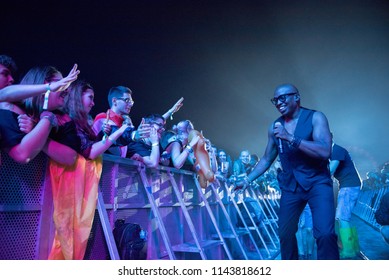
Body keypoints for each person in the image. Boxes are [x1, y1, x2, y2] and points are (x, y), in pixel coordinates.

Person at [238, 83, 339, 260]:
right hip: (291, 186)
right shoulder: (274, 126)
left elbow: (325, 150)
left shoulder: (316, 117)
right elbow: (267, 158)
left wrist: (290, 138)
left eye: (282, 98)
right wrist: (248, 180)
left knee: (325, 234)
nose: (278, 102)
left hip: (317, 183)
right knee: (284, 234)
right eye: (275, 100)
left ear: (296, 97)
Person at [44, 79, 130, 260]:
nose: (93, 103)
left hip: (80, 185)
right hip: (69, 185)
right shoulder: (66, 120)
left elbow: (88, 146)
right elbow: (89, 151)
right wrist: (118, 132)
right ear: (77, 97)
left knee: (78, 233)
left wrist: (102, 135)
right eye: (90, 98)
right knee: (67, 234)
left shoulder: (81, 123)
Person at [1, 63, 80, 165]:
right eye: (61, 82)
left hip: (40, 181)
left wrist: (38, 129)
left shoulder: (63, 119)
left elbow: (70, 158)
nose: (67, 89)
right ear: (43, 83)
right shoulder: (12, 109)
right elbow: (22, 155)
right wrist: (49, 88)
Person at [329, 137, 362, 258]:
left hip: (349, 186)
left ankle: (348, 250)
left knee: (342, 218)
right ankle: (354, 246)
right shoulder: (334, 151)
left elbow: (330, 171)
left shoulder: (337, 150)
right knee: (344, 218)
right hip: (348, 185)